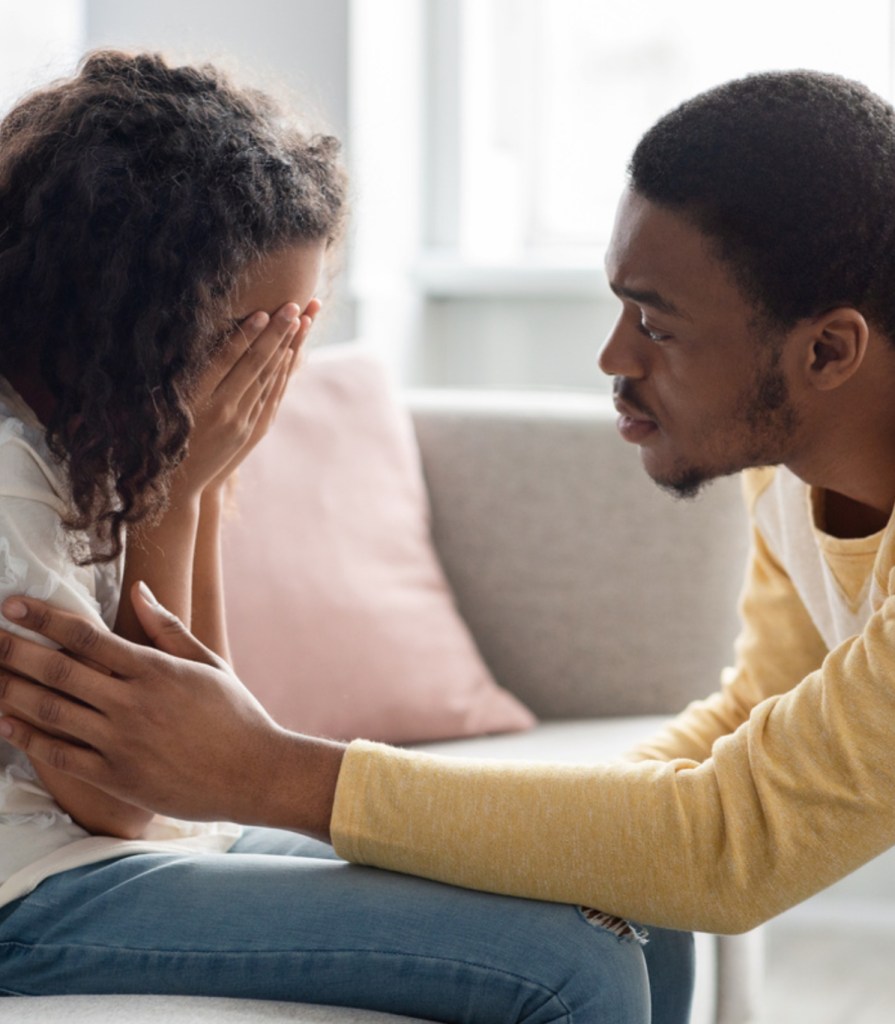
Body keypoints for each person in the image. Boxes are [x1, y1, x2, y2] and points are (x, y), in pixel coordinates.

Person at [10, 60, 895, 1020]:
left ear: (826, 352)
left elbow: (729, 839)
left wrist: (268, 767)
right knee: (630, 907)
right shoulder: (786, 470)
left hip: (107, 854)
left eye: (655, 324)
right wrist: (540, 838)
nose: (609, 357)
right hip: (67, 871)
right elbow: (745, 726)